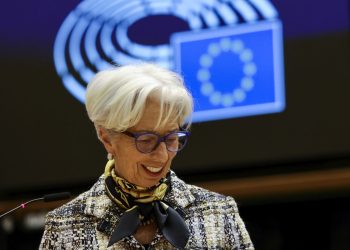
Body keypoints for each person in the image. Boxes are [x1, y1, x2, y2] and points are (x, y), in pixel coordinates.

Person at [39, 63, 254, 249]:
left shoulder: (218, 213)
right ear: (107, 138)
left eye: (171, 139)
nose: (161, 156)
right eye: (146, 140)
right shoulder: (65, 225)